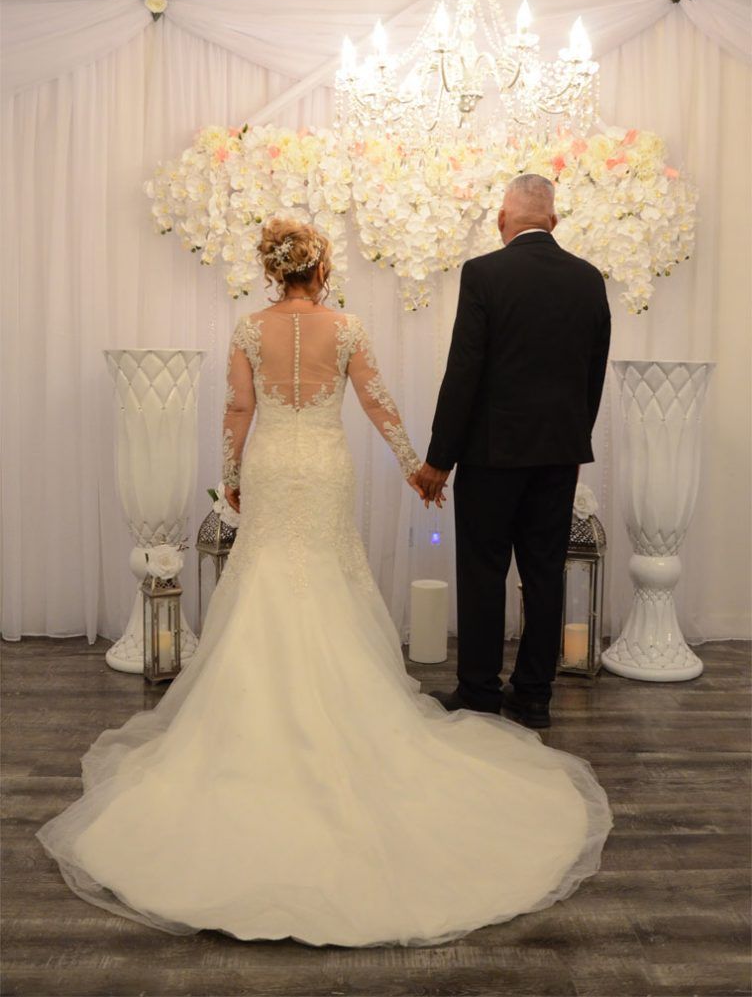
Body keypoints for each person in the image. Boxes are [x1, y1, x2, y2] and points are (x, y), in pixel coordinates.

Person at [36, 217, 612, 947]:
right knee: (328, 577)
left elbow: (238, 409)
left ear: (274, 271)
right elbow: (377, 404)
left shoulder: (248, 329)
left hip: (276, 468)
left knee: (268, 578)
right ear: (322, 268)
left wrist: (232, 475)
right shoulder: (347, 328)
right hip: (326, 468)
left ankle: (252, 725)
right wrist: (416, 467)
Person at [417, 174, 612, 729]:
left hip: (491, 455)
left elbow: (464, 372)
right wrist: (573, 437)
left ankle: (479, 691)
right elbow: (593, 374)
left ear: (504, 220)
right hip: (558, 454)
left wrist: (439, 460)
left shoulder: (484, 273)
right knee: (545, 572)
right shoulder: (588, 280)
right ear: (554, 220)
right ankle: (533, 697)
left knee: (483, 571)